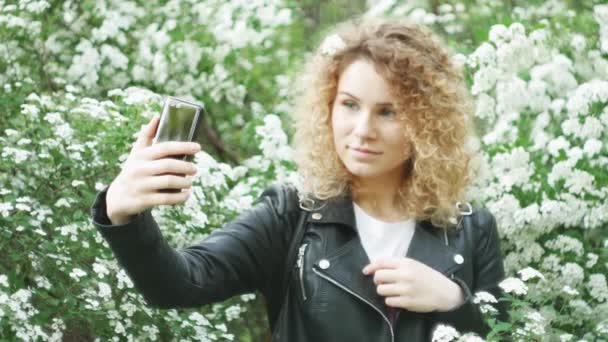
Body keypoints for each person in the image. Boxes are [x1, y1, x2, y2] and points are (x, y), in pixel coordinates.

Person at [91, 16, 507, 341]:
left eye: (388, 112)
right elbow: (179, 284)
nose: (362, 129)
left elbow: (507, 332)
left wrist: (454, 301)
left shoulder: (471, 230)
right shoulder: (291, 215)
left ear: (427, 123)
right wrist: (122, 214)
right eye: (349, 104)